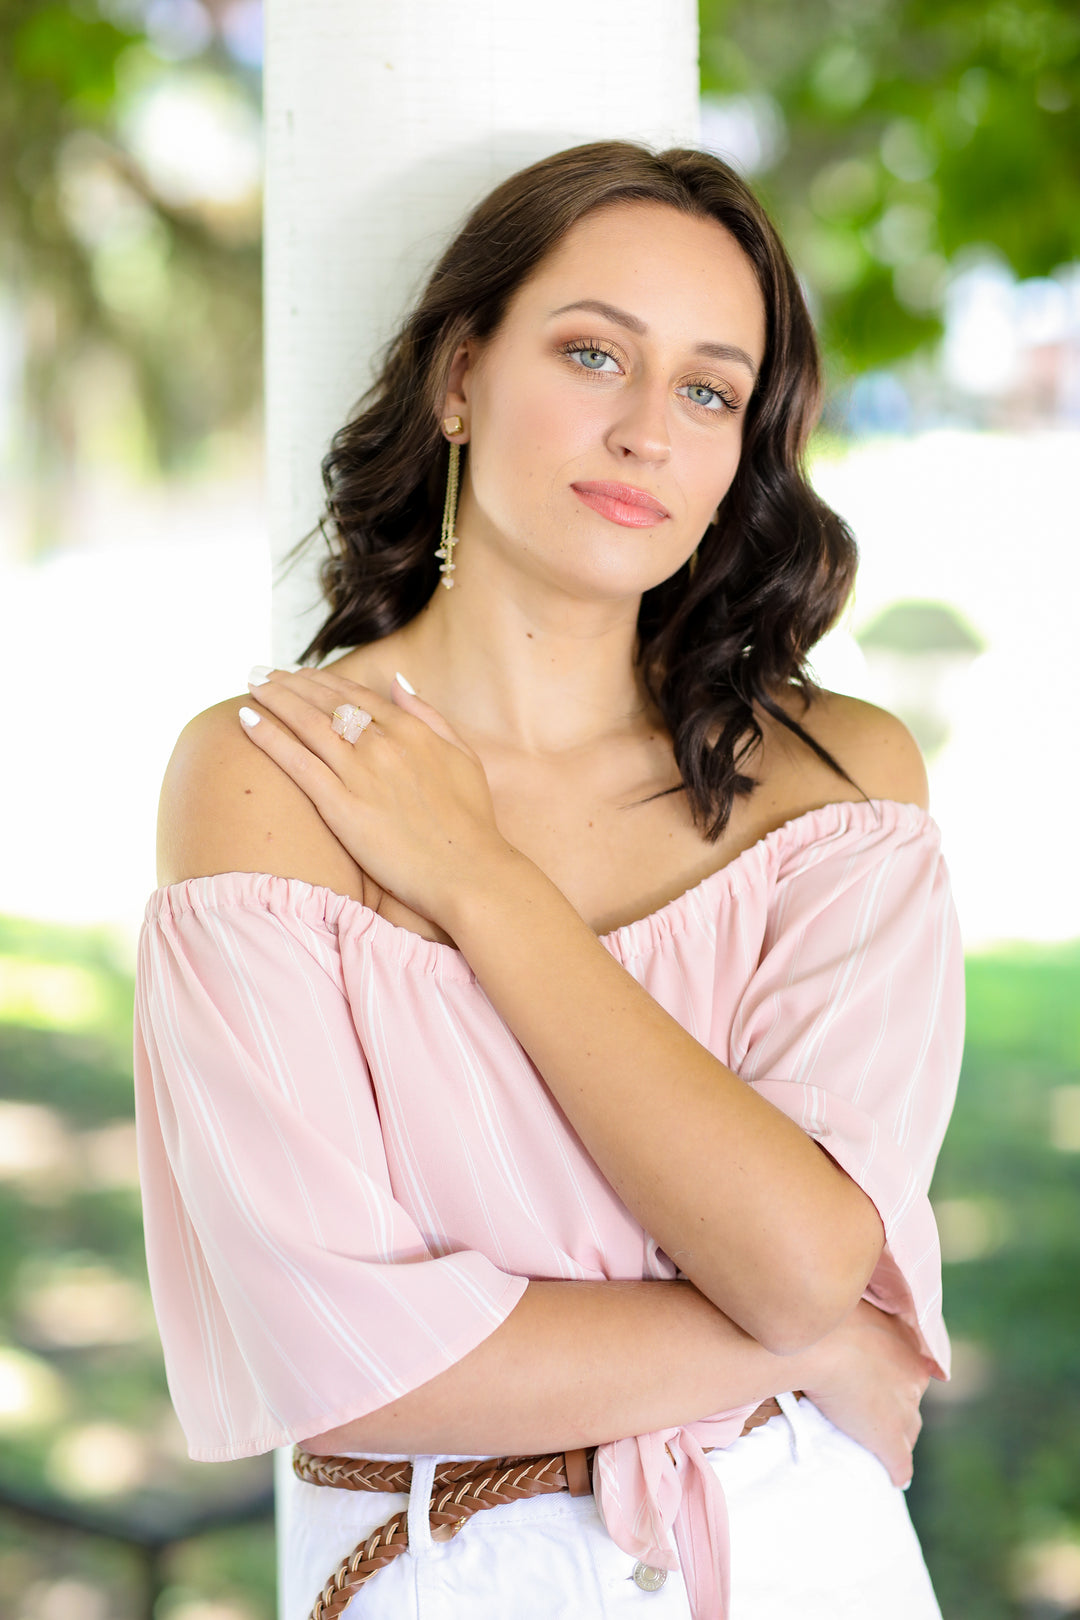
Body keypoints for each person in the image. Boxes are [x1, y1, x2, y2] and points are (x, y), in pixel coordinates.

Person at [133, 141, 964, 1620]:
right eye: (594, 354)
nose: (649, 430)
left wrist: (476, 879)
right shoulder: (268, 780)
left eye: (710, 389)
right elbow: (348, 1357)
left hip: (808, 1558)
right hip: (450, 1574)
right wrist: (818, 1344)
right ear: (460, 380)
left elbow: (798, 1259)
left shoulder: (839, 790)